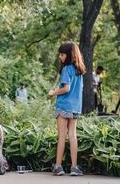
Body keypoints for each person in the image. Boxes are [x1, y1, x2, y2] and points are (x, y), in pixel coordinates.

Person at [48, 42, 86, 176]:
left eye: (62, 54)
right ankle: (74, 167)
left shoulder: (67, 69)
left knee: (62, 136)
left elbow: (66, 88)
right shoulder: (79, 70)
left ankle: (58, 166)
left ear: (69, 55)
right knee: (72, 135)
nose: (60, 57)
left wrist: (53, 92)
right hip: (75, 107)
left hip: (64, 106)